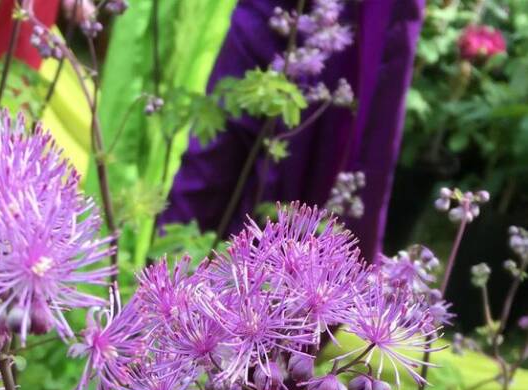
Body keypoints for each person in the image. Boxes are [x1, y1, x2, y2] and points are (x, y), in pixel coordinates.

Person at [161, 0, 426, 261]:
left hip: (357, 21)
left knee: (314, 169)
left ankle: (275, 285)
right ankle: (169, 284)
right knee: (216, 153)